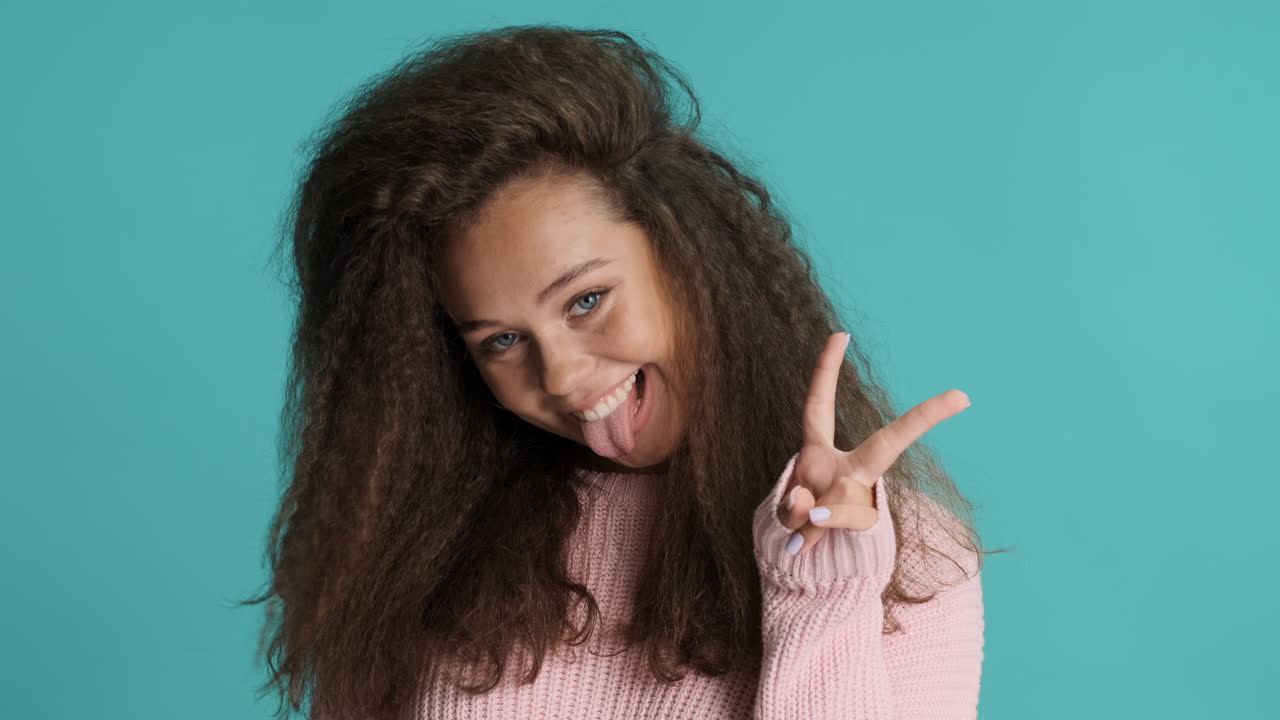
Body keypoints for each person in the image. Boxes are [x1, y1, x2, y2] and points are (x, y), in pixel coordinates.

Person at [242, 24, 998, 720]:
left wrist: (822, 595)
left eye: (586, 300)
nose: (564, 377)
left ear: (688, 258)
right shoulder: (434, 545)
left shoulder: (914, 561)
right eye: (501, 340)